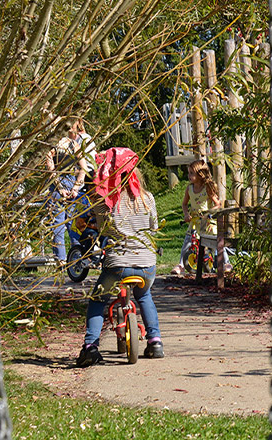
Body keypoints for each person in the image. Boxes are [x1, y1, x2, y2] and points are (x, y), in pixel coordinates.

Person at [76, 147, 164, 367]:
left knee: (98, 299)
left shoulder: (104, 201)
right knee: (144, 296)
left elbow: (102, 229)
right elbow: (153, 227)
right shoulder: (147, 198)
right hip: (146, 264)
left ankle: (90, 347)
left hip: (118, 264)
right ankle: (155, 341)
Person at [46, 117, 98, 262]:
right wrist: (76, 187)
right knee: (73, 224)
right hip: (72, 183)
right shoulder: (74, 145)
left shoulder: (52, 147)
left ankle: (61, 259)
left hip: (58, 187)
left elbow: (51, 171)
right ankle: (77, 256)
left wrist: (60, 188)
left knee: (57, 224)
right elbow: (84, 167)